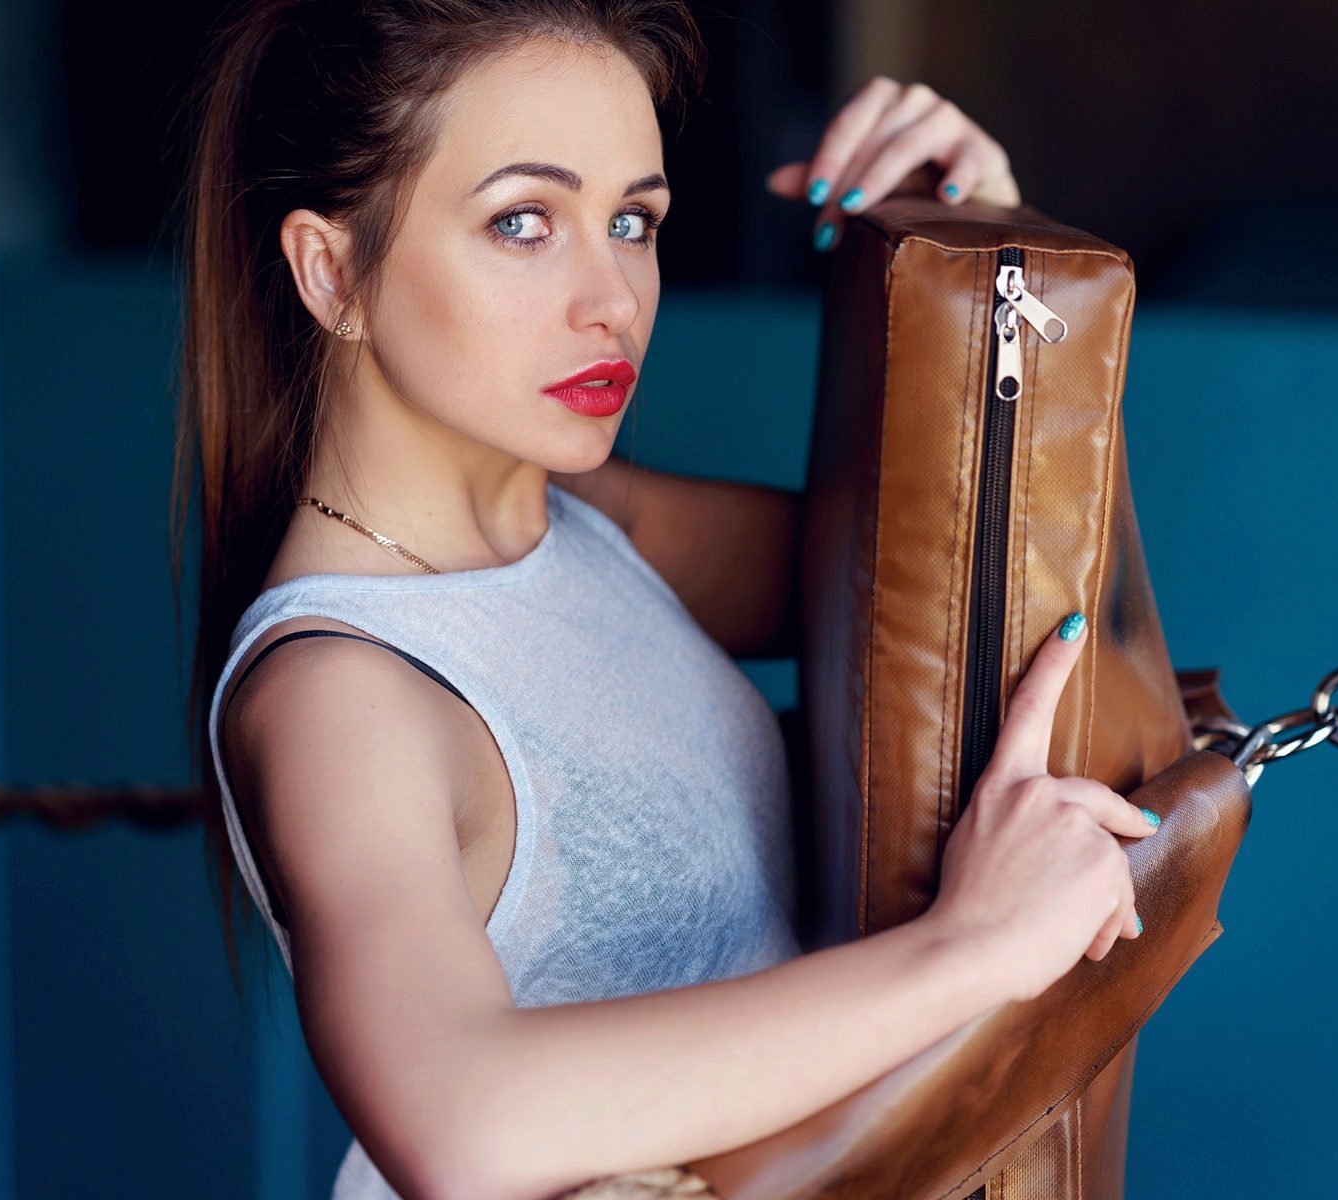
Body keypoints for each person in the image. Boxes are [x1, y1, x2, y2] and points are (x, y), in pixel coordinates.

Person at [172, 2, 1160, 1197]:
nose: (612, 300)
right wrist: (970, 948)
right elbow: (460, 1124)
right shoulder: (337, 692)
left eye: (631, 221)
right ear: (331, 271)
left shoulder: (584, 524)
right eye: (523, 222)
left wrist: (993, 236)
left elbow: (973, 580)